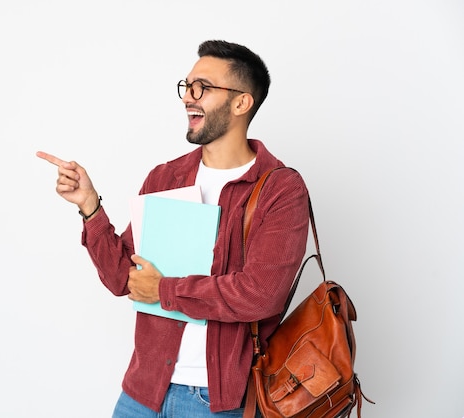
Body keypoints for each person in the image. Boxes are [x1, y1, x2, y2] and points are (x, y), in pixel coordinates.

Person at [37, 40, 309, 417]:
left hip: (215, 402)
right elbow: (122, 278)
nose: (188, 98)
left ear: (241, 102)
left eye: (203, 87)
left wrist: (163, 289)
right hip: (142, 392)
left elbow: (260, 295)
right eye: (187, 86)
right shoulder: (165, 177)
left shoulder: (280, 189)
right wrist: (90, 207)